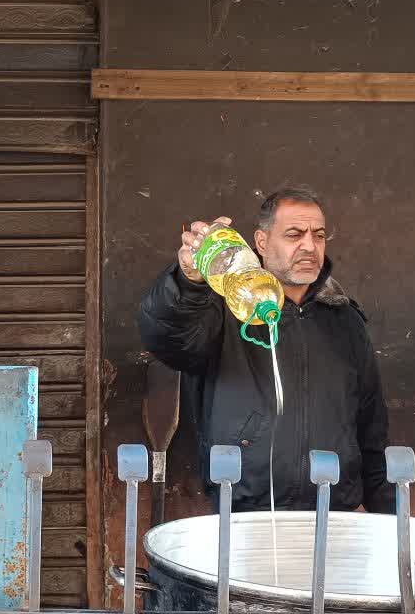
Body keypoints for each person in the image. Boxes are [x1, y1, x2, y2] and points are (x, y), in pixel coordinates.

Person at [137, 186, 393, 513]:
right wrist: (187, 282)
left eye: (318, 235)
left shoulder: (344, 319)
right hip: (245, 512)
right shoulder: (221, 310)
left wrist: (389, 520)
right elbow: (168, 338)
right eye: (294, 234)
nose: (309, 246)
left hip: (334, 514)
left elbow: (372, 427)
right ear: (261, 242)